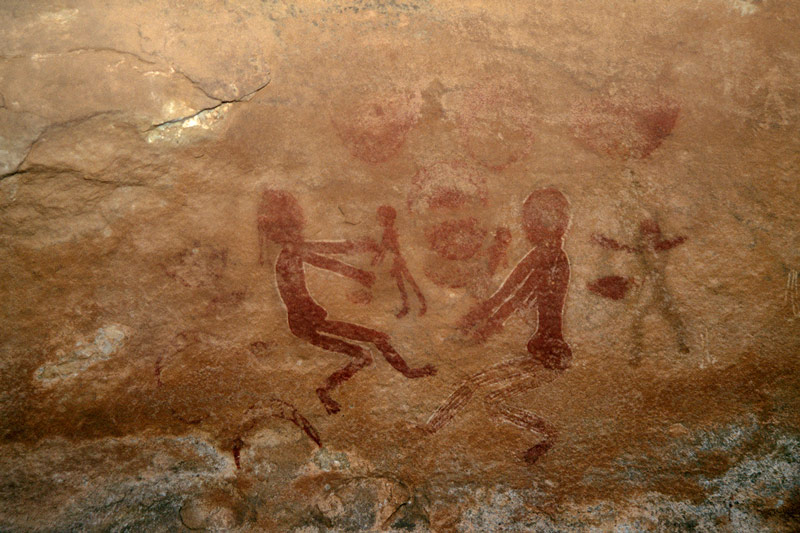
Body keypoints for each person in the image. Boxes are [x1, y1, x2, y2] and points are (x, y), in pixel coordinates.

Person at [420, 188, 572, 463]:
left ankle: (428, 430)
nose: (525, 226)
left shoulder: (547, 256)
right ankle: (546, 437)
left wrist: (481, 326)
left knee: (475, 388)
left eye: (529, 219)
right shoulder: (550, 255)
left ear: (540, 223)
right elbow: (510, 296)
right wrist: (479, 321)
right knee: (490, 400)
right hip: (547, 352)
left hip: (548, 354)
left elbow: (511, 297)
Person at [258, 189, 436, 414]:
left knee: (362, 354)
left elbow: (329, 253)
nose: (300, 228)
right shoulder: (291, 252)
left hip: (306, 322)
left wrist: (359, 260)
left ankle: (325, 391)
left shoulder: (292, 251)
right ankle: (408, 372)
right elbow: (329, 259)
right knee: (375, 341)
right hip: (308, 323)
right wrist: (359, 271)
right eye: (295, 225)